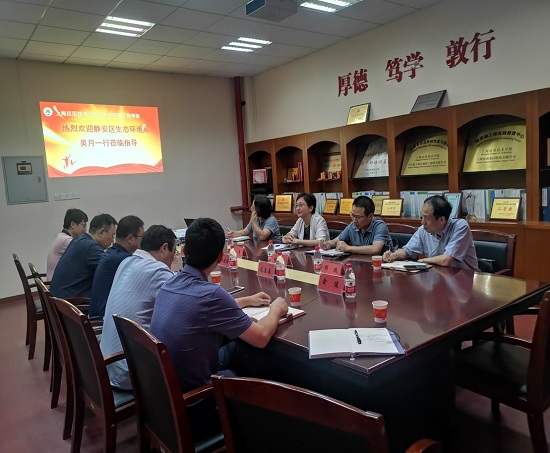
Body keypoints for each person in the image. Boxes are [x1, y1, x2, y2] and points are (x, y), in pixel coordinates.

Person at [151, 217, 287, 390]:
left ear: (183, 250)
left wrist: (247, 300)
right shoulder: (212, 295)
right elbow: (261, 337)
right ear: (220, 257)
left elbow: (204, 308)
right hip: (198, 394)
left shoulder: (170, 283)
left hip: (168, 386)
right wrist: (275, 309)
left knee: (238, 346)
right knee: (255, 351)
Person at [100, 225, 177, 390]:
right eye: (174, 252)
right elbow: (183, 305)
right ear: (164, 248)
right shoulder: (158, 270)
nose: (173, 259)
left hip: (107, 363)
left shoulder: (126, 262)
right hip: (131, 371)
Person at [383, 195, 478, 269]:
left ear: (441, 220)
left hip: (465, 278)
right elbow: (407, 251)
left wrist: (423, 261)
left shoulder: (460, 227)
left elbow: (446, 260)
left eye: (427, 218)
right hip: (439, 277)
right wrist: (393, 255)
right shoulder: (423, 230)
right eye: (422, 217)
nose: (422, 222)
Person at [88, 215, 144, 318]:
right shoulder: (124, 260)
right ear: (130, 238)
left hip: (99, 315)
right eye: (142, 237)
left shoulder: (113, 253)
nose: (144, 240)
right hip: (102, 320)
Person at [50, 214, 117, 298]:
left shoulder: (80, 240)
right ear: (101, 232)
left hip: (59, 297)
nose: (112, 240)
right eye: (112, 235)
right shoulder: (91, 247)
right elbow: (111, 270)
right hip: (70, 301)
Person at [321, 195, 390, 254]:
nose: (354, 220)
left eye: (358, 217)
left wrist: (348, 248)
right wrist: (328, 244)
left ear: (370, 216)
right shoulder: (352, 226)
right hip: (359, 262)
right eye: (353, 215)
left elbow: (375, 249)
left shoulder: (380, 226)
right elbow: (335, 241)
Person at [46, 208, 88, 280]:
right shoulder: (66, 240)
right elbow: (85, 255)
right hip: (56, 284)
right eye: (84, 225)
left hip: (56, 281)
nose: (85, 230)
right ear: (73, 224)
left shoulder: (62, 237)